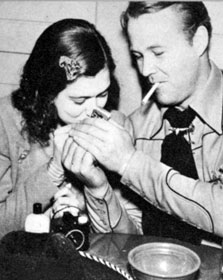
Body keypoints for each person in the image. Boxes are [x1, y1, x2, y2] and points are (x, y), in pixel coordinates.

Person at [69, 2, 223, 262]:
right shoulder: (139, 126)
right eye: (138, 56)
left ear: (199, 41)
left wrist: (128, 162)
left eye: (158, 52)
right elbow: (128, 246)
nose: (145, 70)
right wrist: (97, 188)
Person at [0, 18, 141, 238]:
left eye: (102, 94)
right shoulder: (6, 121)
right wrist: (54, 171)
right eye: (79, 100)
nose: (94, 110)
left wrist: (94, 193)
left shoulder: (117, 127)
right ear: (47, 93)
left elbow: (131, 237)